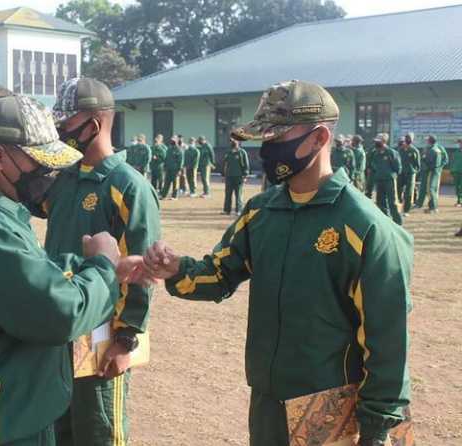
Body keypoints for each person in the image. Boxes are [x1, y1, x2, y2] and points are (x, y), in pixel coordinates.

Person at [142, 80, 412, 446]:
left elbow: (388, 340)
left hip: (330, 406)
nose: (266, 150)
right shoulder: (261, 212)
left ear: (319, 138)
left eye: (276, 138)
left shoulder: (365, 228)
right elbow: (220, 274)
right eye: (263, 140)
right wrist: (176, 268)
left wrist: (378, 429)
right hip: (267, 398)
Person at [0, 95, 143, 446]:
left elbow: (29, 274)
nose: (49, 174)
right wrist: (102, 266)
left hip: (2, 411)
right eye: (39, 162)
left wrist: (87, 267)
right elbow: (59, 313)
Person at [50, 77, 160, 446]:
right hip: (59, 325)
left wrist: (126, 338)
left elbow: (142, 270)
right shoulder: (63, 180)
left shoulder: (127, 186)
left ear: (92, 125)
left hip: (100, 335)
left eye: (65, 124)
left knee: (98, 431)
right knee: (57, 428)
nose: (59, 131)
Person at [369, 134, 403, 225]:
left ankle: (398, 222)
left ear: (384, 141)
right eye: (375, 141)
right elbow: (373, 165)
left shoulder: (391, 152)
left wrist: (390, 174)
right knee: (380, 202)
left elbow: (398, 168)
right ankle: (386, 221)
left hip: (389, 180)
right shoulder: (375, 153)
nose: (376, 143)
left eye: (378, 142)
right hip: (379, 180)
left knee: (393, 202)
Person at [415, 135, 446, 213]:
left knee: (430, 189)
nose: (426, 141)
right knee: (428, 189)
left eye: (427, 140)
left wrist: (425, 161)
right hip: (428, 171)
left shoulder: (434, 150)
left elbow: (432, 163)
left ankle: (433, 208)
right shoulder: (430, 149)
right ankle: (430, 206)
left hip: (430, 172)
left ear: (430, 141)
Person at [221, 138, 249, 215]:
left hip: (239, 177)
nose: (232, 142)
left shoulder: (242, 152)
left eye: (234, 140)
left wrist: (245, 175)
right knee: (228, 193)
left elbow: (246, 165)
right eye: (231, 141)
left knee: (238, 194)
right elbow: (224, 164)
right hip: (229, 177)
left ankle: (239, 210)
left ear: (238, 142)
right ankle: (227, 210)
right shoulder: (228, 152)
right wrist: (223, 175)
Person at [397, 136, 420, 216]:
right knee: (398, 190)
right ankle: (398, 208)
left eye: (404, 142)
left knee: (409, 192)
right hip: (401, 173)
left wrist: (414, 173)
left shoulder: (414, 151)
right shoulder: (400, 150)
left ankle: (406, 210)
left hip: (410, 173)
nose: (402, 144)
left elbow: (417, 165)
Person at [450, 138, 462, 207]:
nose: (460, 144)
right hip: (456, 172)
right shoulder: (455, 152)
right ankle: (459, 201)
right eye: (460, 143)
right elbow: (452, 162)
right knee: (457, 187)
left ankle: (460, 201)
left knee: (461, 187)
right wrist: (452, 171)